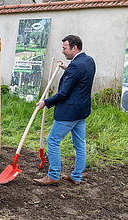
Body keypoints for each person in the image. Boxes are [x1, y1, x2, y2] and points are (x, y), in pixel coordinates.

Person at [33, 35, 96, 185]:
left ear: (74, 48)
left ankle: (53, 175)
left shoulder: (75, 66)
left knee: (52, 140)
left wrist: (45, 103)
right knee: (80, 144)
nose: (63, 51)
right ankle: (76, 176)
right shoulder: (89, 61)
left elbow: (63, 93)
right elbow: (80, 74)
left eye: (65, 48)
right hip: (82, 112)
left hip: (69, 113)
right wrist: (67, 69)